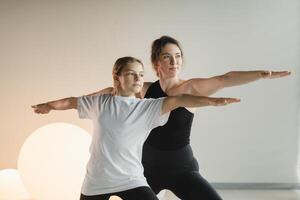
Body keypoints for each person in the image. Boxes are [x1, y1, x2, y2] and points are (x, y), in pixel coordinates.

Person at [93, 36, 291, 199]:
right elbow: (113, 92)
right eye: (167, 57)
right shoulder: (144, 89)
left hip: (182, 169)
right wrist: (80, 100)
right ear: (156, 62)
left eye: (178, 56)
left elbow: (225, 79)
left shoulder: (191, 88)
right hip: (146, 169)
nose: (174, 62)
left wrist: (261, 74)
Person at [32, 56, 240, 200]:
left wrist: (212, 102)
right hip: (97, 180)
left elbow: (178, 100)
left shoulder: (147, 107)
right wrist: (49, 106)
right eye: (132, 74)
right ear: (117, 78)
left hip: (131, 179)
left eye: (141, 74)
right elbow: (71, 101)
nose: (138, 78)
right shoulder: (100, 103)